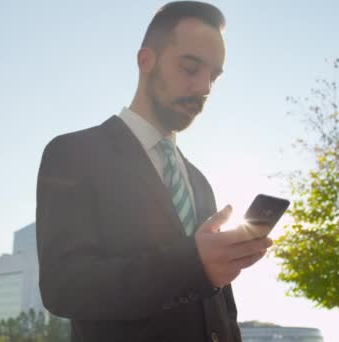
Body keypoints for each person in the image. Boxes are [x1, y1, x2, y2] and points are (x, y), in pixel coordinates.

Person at [35, 2, 273, 341]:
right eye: (191, 68)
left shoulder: (199, 181)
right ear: (146, 61)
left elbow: (221, 306)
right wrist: (194, 265)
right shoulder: (74, 154)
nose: (204, 87)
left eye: (214, 76)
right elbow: (64, 286)